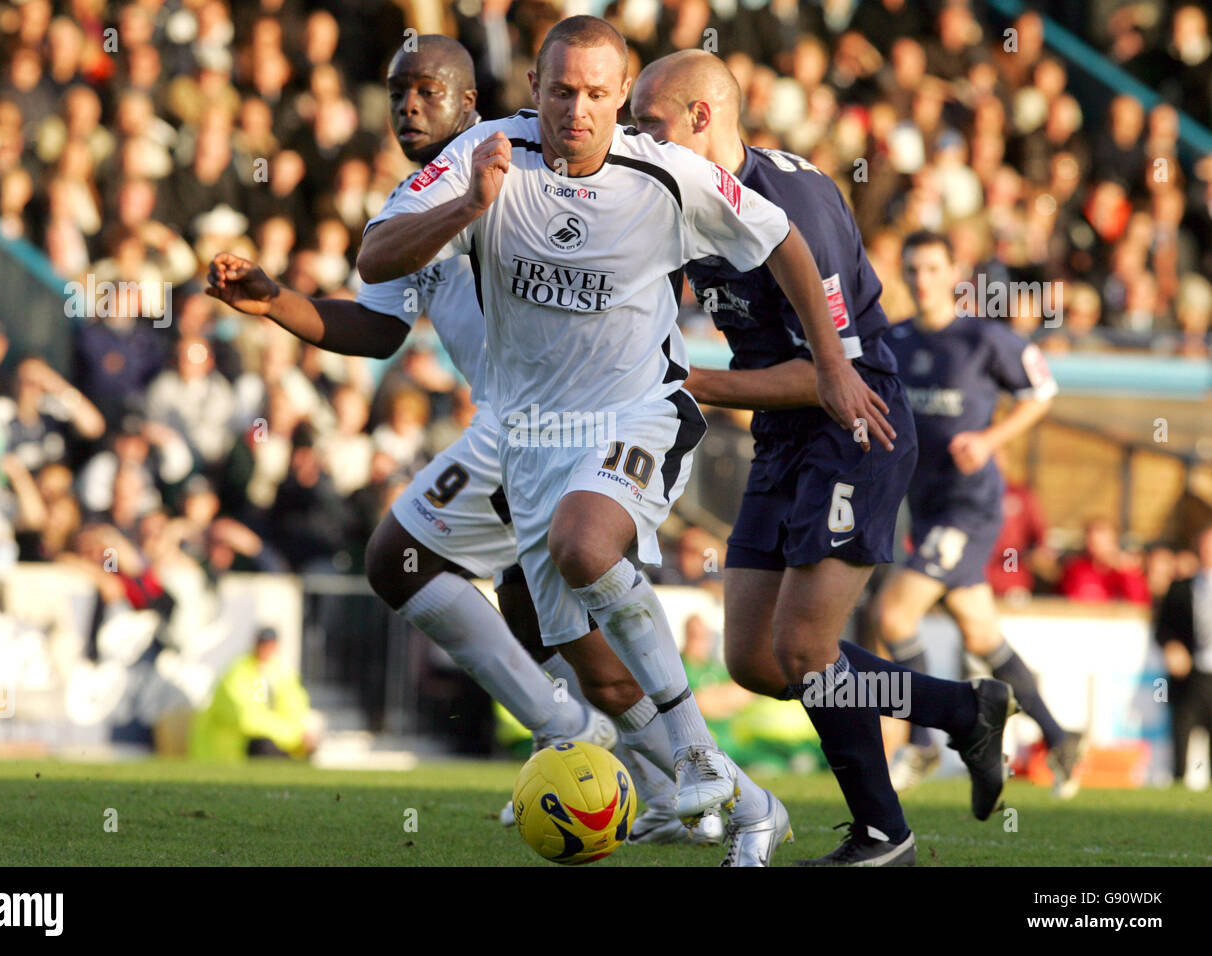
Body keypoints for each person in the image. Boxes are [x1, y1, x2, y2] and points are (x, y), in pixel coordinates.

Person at [357, 16, 890, 865]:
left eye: (599, 95)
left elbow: (783, 237)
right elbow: (375, 255)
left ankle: (695, 758)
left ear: (620, 97)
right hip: (533, 441)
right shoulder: (484, 156)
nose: (579, 110)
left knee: (585, 540)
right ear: (533, 89)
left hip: (642, 410)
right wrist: (469, 206)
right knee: (604, 678)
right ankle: (753, 808)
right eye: (562, 90)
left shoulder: (668, 172)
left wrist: (829, 361)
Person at [207, 34, 715, 846]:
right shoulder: (423, 200)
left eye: (428, 90)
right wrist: (276, 303)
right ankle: (666, 779)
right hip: (516, 428)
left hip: (569, 421)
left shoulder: (524, 161)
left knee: (411, 562)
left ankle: (619, 752)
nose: (408, 104)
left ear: (473, 104)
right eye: (396, 89)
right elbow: (376, 327)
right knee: (524, 609)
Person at [631, 49, 1013, 866]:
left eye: (649, 122)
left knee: (806, 650)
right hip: (780, 433)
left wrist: (679, 380)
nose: (637, 138)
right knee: (759, 661)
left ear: (703, 116)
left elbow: (828, 374)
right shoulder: (681, 199)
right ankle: (962, 708)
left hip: (854, 426)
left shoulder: (787, 200)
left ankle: (885, 834)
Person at [879, 230, 1082, 797]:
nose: (922, 280)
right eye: (913, 269)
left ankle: (920, 745)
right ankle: (1060, 736)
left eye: (932, 268)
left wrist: (991, 439)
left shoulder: (983, 338)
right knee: (981, 633)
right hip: (924, 506)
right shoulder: (892, 340)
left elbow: (1042, 391)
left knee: (895, 616)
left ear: (954, 272)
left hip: (969, 507)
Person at [188, 627, 321, 760]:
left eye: (269, 645)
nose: (265, 649)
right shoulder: (240, 672)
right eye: (262, 644)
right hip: (232, 751)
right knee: (264, 746)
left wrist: (301, 734)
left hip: (273, 741)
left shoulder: (276, 673)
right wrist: (294, 736)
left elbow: (294, 707)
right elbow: (247, 718)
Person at [1154, 523, 1212, 786]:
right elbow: (1162, 628)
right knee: (1181, 732)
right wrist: (1172, 645)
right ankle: (1177, 786)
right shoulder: (1179, 588)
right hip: (1191, 676)